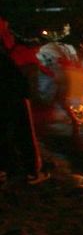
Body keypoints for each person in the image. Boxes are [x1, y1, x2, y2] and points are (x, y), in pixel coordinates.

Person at [0, 19, 49, 185]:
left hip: (9, 89)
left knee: (5, 131)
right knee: (24, 130)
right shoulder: (11, 45)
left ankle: (5, 169)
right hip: (13, 90)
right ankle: (33, 171)